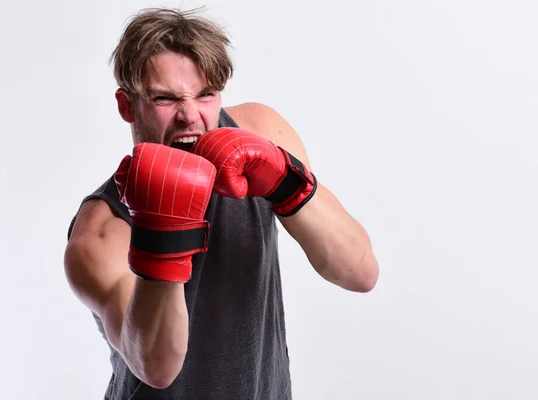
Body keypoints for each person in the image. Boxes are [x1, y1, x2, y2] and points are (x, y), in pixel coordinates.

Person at [64, 7, 379, 400]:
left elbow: (361, 273)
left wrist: (286, 183)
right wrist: (161, 232)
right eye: (165, 99)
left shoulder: (261, 134)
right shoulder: (101, 231)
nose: (190, 116)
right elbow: (155, 368)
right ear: (127, 105)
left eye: (206, 94)